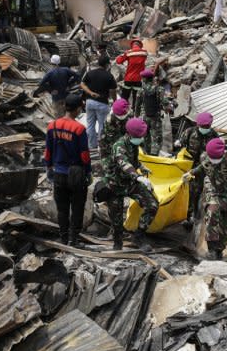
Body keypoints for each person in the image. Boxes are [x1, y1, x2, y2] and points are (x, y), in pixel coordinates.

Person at [102, 118, 158, 250]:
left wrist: (141, 167)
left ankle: (139, 236)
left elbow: (132, 160)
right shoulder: (119, 146)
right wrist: (138, 177)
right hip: (115, 185)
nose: (142, 139)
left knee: (152, 205)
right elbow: (124, 163)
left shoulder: (133, 144)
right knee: (117, 220)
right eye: (141, 136)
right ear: (131, 134)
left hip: (130, 183)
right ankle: (117, 243)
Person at [43, 93, 92, 247]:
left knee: (62, 209)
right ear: (78, 109)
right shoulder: (79, 129)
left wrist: (48, 167)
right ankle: (74, 239)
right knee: (77, 207)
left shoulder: (52, 126)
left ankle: (63, 238)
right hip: (76, 174)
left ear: (65, 106)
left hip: (59, 173)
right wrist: (88, 172)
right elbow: (84, 155)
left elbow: (48, 151)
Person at [175, 112, 218, 225]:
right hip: (188, 166)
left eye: (207, 127)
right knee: (188, 191)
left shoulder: (213, 135)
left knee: (199, 192)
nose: (205, 129)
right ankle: (187, 216)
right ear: (198, 125)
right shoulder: (190, 132)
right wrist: (178, 143)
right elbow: (181, 143)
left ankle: (196, 216)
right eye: (202, 127)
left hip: (204, 168)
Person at [80, 55, 117, 152]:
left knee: (90, 124)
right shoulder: (109, 75)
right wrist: (115, 101)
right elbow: (113, 90)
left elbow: (82, 84)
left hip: (89, 102)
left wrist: (90, 93)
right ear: (107, 64)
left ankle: (92, 146)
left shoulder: (90, 73)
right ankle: (101, 146)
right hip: (102, 103)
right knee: (102, 125)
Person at [139, 69, 173, 156]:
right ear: (152, 78)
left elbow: (137, 105)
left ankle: (147, 153)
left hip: (145, 117)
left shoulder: (141, 90)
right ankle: (155, 155)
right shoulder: (159, 89)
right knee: (157, 137)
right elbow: (164, 101)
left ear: (145, 79)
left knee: (146, 136)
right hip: (156, 118)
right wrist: (170, 106)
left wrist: (137, 116)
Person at [98, 97, 131, 168]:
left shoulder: (129, 113)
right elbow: (114, 142)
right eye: (119, 116)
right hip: (107, 148)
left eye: (123, 115)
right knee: (110, 169)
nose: (121, 117)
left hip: (122, 145)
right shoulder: (109, 121)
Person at [116, 39, 148, 111]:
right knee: (136, 98)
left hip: (128, 78)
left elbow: (118, 61)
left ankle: (122, 111)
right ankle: (135, 112)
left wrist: (121, 55)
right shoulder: (144, 53)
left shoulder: (128, 52)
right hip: (138, 79)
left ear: (132, 45)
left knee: (124, 97)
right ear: (140, 45)